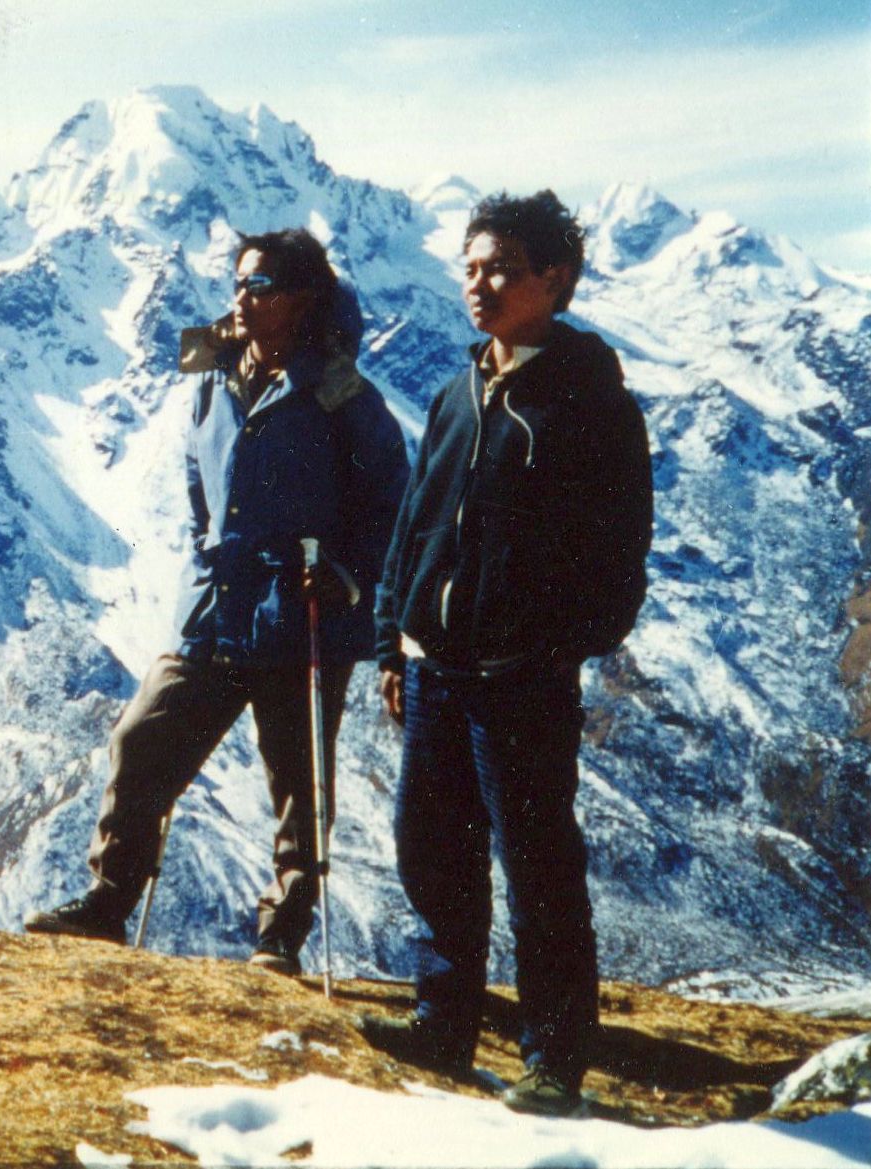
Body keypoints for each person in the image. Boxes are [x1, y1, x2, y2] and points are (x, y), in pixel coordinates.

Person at [25, 229, 408, 976]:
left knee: (299, 784)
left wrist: (347, 576)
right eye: (239, 282)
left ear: (301, 299)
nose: (241, 296)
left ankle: (281, 935)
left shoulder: (337, 392)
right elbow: (203, 487)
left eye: (260, 285)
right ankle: (107, 898)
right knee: (141, 741)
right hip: (217, 606)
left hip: (301, 615)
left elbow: (392, 503)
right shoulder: (212, 376)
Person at [359, 191, 653, 1118]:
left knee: (536, 867)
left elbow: (618, 557)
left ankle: (553, 1058)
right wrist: (392, 643)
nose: (478, 285)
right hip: (437, 667)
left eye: (501, 270)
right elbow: (414, 527)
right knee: (430, 850)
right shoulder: (459, 391)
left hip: (519, 683)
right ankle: (442, 1021)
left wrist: (551, 648)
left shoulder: (589, 404)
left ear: (553, 281)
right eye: (471, 266)